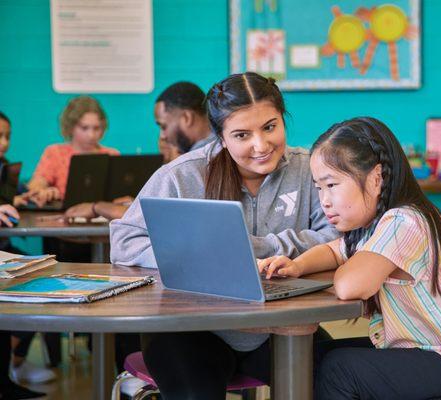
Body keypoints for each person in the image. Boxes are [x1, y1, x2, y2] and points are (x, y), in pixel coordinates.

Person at [110, 72, 338, 399]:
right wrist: (194, 254)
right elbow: (124, 241)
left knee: (341, 382)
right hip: (191, 329)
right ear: (220, 136)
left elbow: (335, 235)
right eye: (242, 135)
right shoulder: (182, 174)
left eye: (270, 127)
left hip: (280, 326)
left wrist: (261, 248)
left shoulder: (308, 168)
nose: (260, 145)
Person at [259, 117, 441, 399]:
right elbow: (335, 250)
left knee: (340, 369)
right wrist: (297, 265)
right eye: (318, 188)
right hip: (439, 347)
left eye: (332, 185)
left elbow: (350, 286)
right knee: (314, 357)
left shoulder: (404, 221)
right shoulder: (375, 224)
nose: (324, 201)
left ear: (376, 178)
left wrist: (343, 267)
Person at [64, 81, 210, 222]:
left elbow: (153, 216)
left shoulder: (195, 163)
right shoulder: (211, 151)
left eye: (163, 126)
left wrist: (97, 207)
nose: (162, 136)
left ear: (187, 118)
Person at [0, 112, 57, 385]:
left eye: (7, 136)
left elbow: (23, 192)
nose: (4, 143)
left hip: (5, 248)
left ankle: (15, 362)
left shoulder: (4, 167)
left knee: (42, 276)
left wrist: (26, 196)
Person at [14, 96, 119, 208]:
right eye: (84, 128)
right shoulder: (55, 152)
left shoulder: (112, 154)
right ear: (70, 126)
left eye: (96, 128)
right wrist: (44, 191)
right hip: (64, 218)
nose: (91, 135)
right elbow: (36, 184)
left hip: (103, 218)